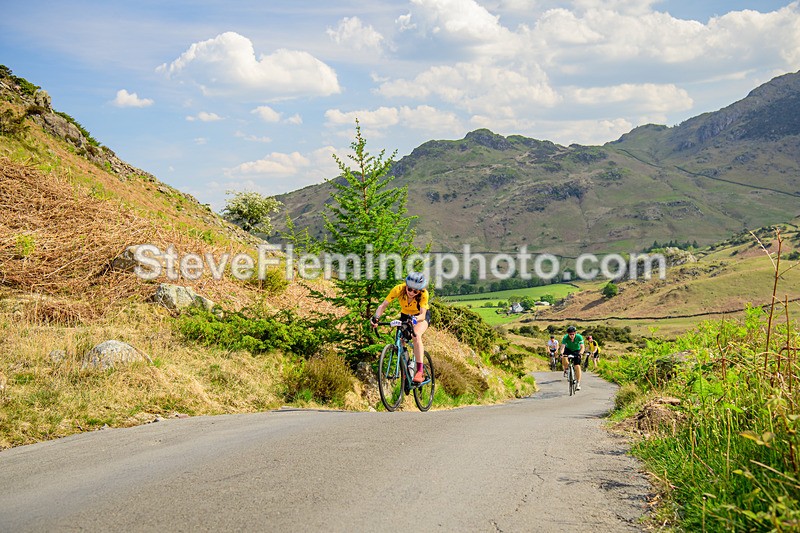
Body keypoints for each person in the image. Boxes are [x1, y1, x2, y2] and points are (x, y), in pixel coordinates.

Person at [371, 272, 430, 383]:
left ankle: (420, 371)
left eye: (415, 291)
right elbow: (383, 305)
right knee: (401, 340)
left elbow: (422, 315)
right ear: (406, 285)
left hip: (420, 317)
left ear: (420, 291)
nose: (411, 293)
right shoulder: (398, 289)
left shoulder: (424, 294)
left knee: (416, 335)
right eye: (409, 289)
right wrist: (376, 318)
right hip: (405, 315)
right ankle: (407, 368)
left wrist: (415, 320)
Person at [559, 325, 585, 391]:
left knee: (577, 366)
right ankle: (567, 369)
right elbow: (562, 347)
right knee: (564, 358)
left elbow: (582, 347)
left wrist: (581, 353)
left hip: (577, 350)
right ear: (568, 334)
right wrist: (561, 353)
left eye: (573, 334)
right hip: (568, 350)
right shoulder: (565, 337)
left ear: (575, 333)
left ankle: (578, 383)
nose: (571, 335)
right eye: (570, 334)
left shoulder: (579, 337)